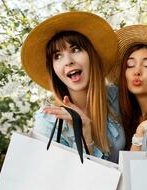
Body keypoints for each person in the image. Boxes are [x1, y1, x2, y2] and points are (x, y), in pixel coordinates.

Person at [21, 12, 125, 163]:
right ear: (54, 70)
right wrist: (85, 135)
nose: (68, 61)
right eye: (57, 56)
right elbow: (57, 178)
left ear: (92, 56)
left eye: (75, 49)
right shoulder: (49, 120)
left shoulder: (115, 97)